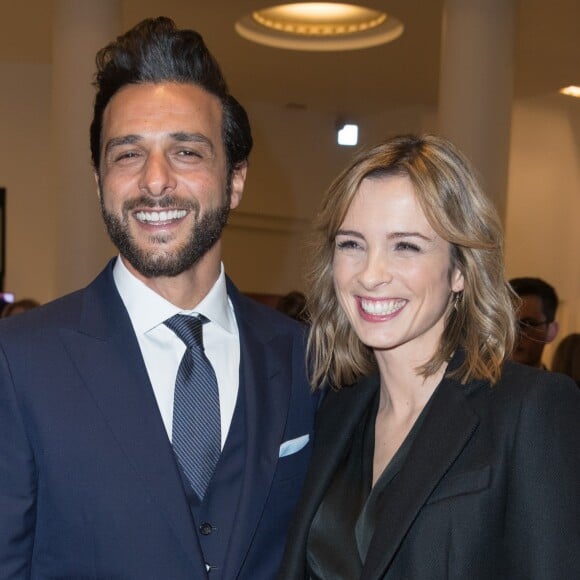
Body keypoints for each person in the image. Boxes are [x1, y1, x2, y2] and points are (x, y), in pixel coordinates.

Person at [0, 17, 316, 580]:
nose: (154, 181)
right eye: (126, 155)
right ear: (100, 180)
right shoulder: (19, 360)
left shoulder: (304, 359)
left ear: (235, 178)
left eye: (187, 152)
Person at [277, 134, 580, 579]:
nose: (370, 274)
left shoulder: (530, 408)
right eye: (351, 244)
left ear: (460, 269)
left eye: (406, 246)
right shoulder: (334, 411)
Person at [509, 276, 559, 368]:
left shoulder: (561, 382)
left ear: (551, 331)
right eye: (507, 325)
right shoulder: (479, 381)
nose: (514, 335)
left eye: (526, 324)